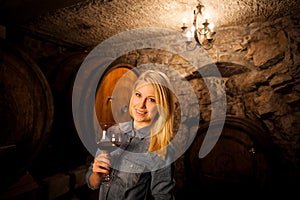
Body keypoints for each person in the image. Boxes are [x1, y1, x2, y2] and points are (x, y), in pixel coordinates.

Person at [86, 69, 177, 200]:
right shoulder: (113, 132)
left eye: (151, 99)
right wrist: (96, 175)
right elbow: (92, 181)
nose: (141, 105)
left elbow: (163, 197)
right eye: (138, 95)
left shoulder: (161, 149)